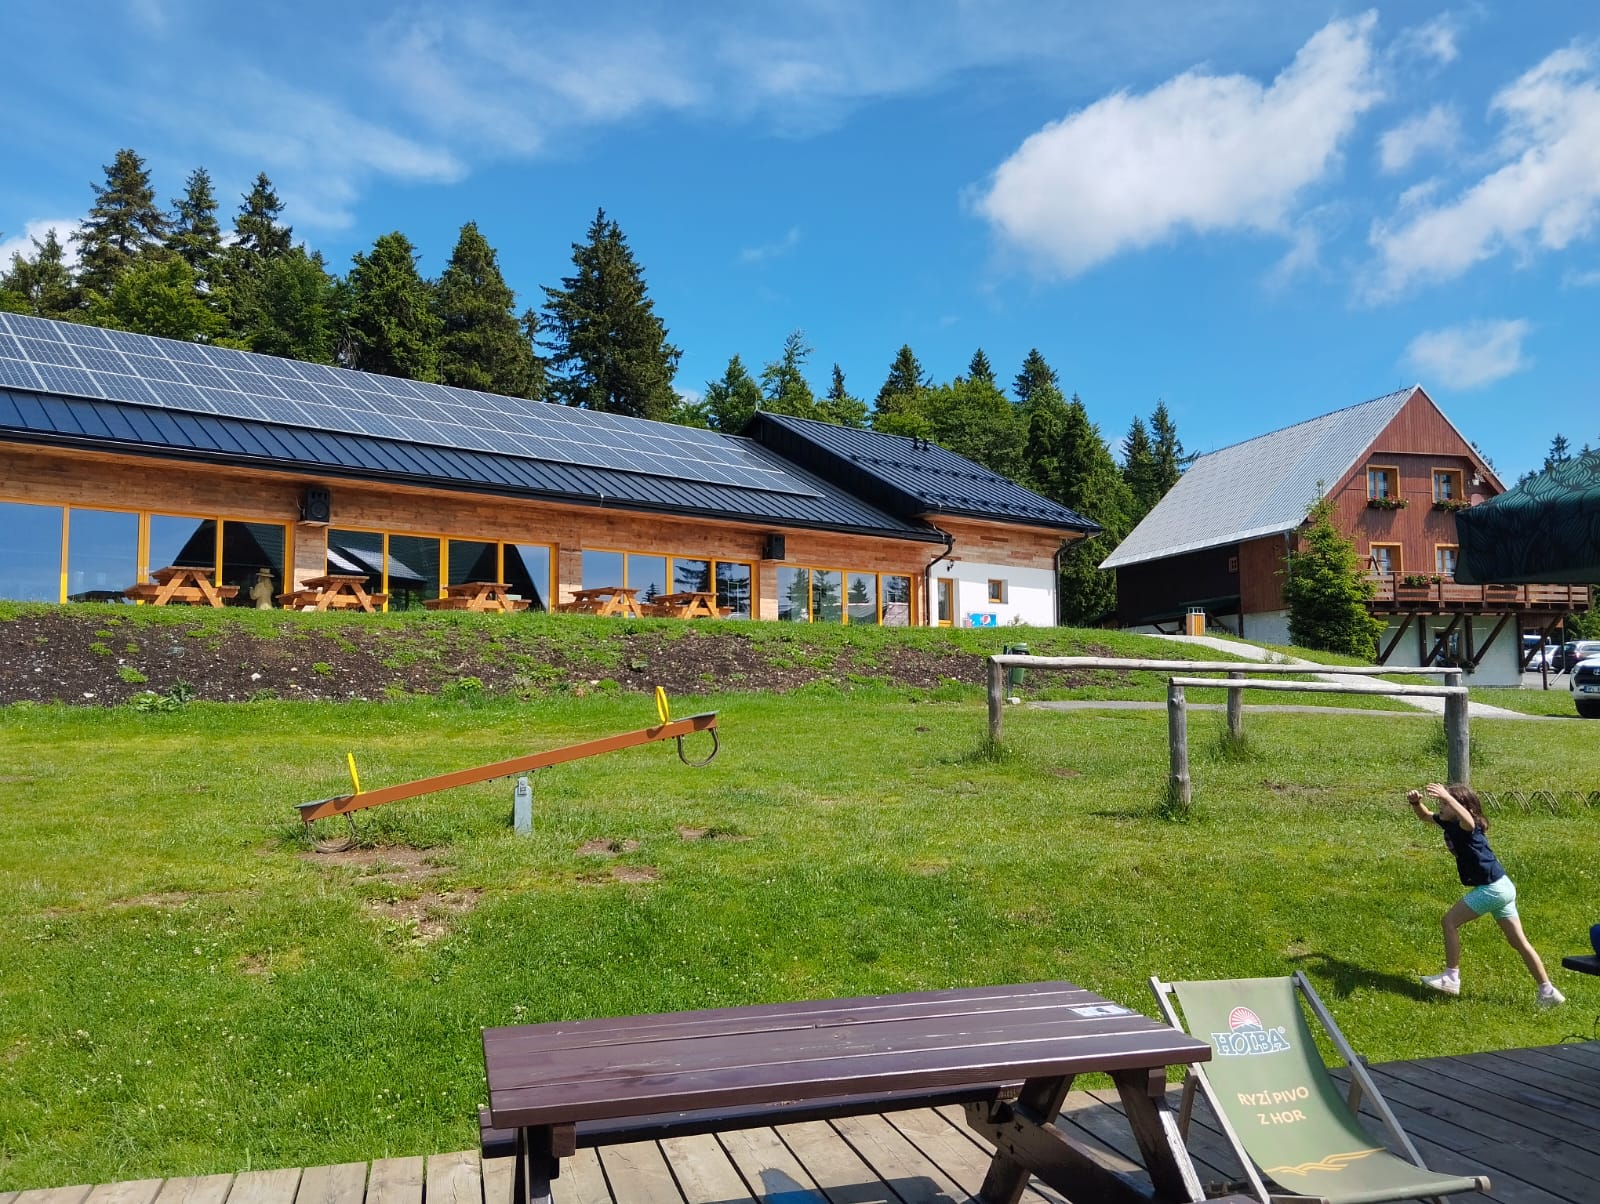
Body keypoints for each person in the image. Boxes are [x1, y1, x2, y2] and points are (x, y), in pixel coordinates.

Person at [1408, 782, 1564, 1007]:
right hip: (1503, 886)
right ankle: (1548, 991)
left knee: (1449, 922)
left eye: (1445, 803)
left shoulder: (1467, 826)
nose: (1441, 806)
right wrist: (1416, 803)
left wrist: (1449, 797)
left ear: (1462, 807)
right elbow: (1425, 816)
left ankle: (1451, 977)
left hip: (1492, 889)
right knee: (1519, 942)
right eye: (1441, 802)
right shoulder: (1449, 822)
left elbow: (1469, 821)